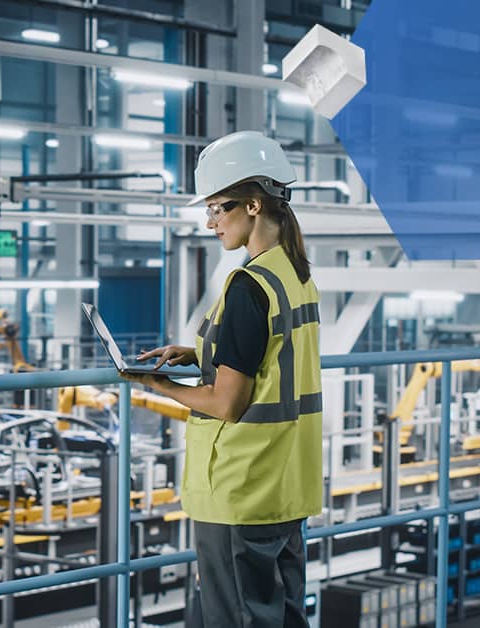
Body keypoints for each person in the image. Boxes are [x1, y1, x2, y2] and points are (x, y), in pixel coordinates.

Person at [121, 130, 322, 628]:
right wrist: (202, 352)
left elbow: (228, 403)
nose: (210, 222)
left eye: (217, 208)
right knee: (284, 614)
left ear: (253, 205)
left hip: (241, 486)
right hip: (285, 482)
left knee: (236, 617)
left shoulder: (246, 285)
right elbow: (272, 356)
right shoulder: (294, 274)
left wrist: (156, 384)